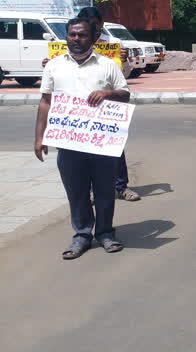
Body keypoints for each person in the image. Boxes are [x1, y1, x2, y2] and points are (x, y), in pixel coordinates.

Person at [34, 17, 131, 259]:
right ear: (66, 36)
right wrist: (40, 137)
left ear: (94, 38)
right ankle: (82, 235)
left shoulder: (107, 65)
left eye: (82, 35)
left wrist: (107, 93)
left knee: (104, 190)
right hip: (68, 141)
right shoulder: (53, 66)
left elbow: (125, 94)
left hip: (100, 141)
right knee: (75, 190)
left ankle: (106, 233)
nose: (76, 39)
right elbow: (45, 101)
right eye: (72, 35)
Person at [41, 7, 140, 202]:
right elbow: (55, 79)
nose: (78, 37)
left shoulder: (113, 44)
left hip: (105, 111)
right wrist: (47, 63)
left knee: (113, 150)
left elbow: (124, 78)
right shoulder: (70, 44)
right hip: (75, 112)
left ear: (100, 25)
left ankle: (120, 187)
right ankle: (90, 191)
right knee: (78, 154)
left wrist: (125, 61)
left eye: (93, 23)